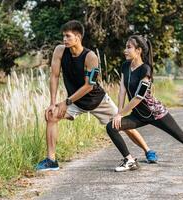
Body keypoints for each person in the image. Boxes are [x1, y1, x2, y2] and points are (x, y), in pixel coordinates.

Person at [36, 20, 157, 171]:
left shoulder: (91, 57)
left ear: (78, 37)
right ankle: (51, 160)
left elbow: (89, 86)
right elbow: (54, 76)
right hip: (76, 102)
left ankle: (148, 150)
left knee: (121, 124)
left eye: (67, 36)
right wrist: (53, 103)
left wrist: (66, 102)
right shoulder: (60, 51)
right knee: (51, 116)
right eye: (63, 37)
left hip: (97, 100)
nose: (64, 40)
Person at [106, 35, 183, 172]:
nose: (125, 50)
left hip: (155, 113)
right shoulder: (125, 66)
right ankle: (129, 160)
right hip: (138, 115)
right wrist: (118, 114)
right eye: (126, 47)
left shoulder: (146, 70)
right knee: (111, 127)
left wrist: (121, 113)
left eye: (129, 47)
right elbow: (122, 91)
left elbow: (138, 97)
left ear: (139, 50)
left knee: (182, 138)